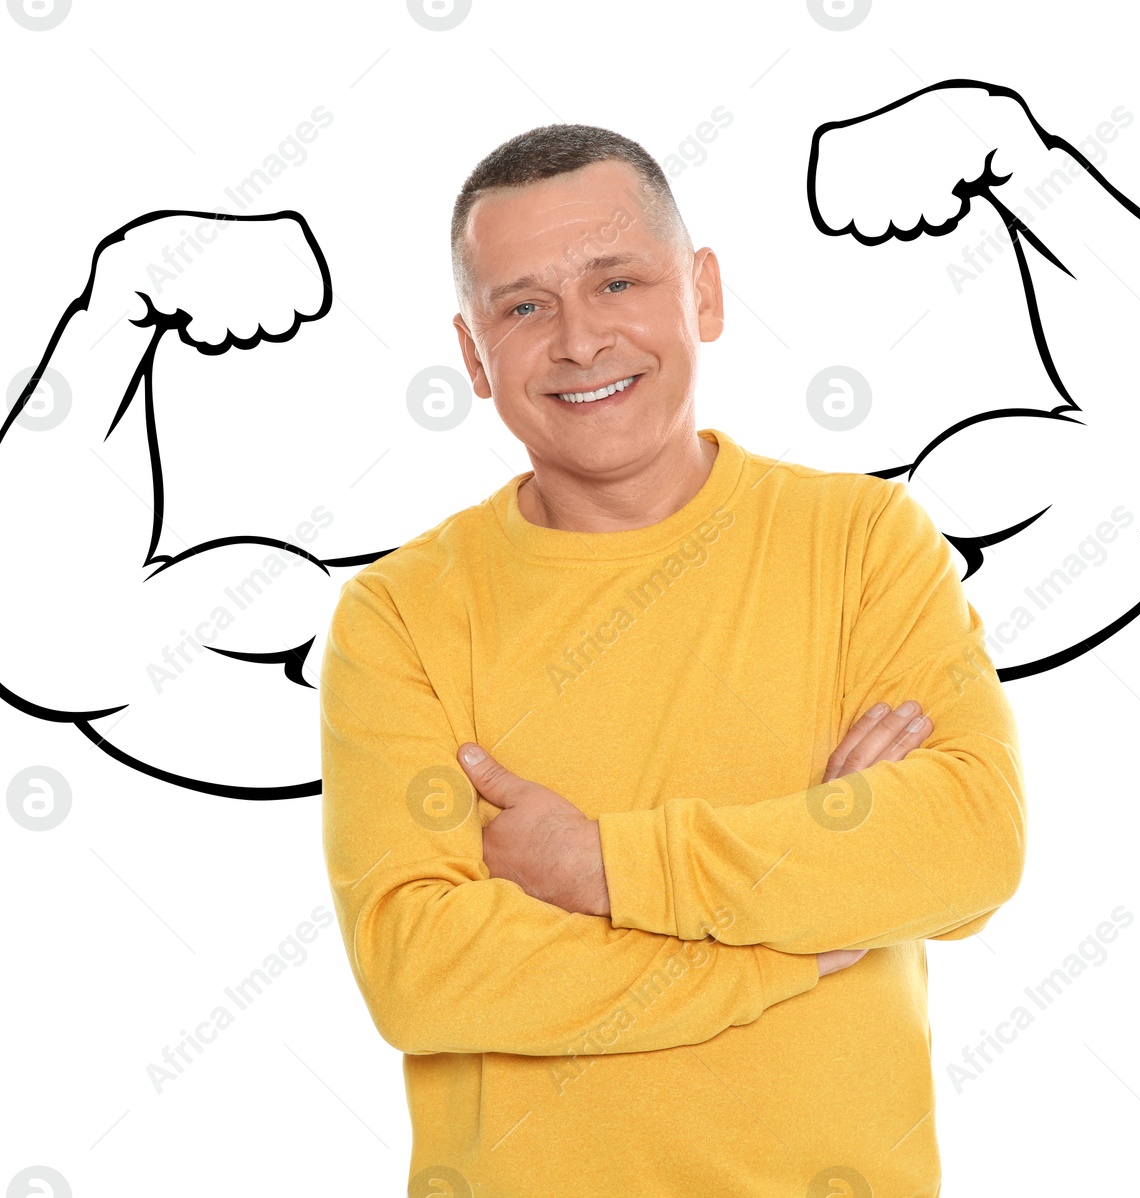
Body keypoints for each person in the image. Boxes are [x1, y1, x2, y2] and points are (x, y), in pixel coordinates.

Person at [319, 123, 1026, 1196]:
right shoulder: (401, 615)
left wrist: (597, 864)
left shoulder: (862, 540)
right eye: (522, 307)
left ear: (702, 292)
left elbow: (967, 843)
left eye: (616, 281)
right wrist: (789, 934)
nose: (578, 339)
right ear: (473, 356)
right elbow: (421, 968)